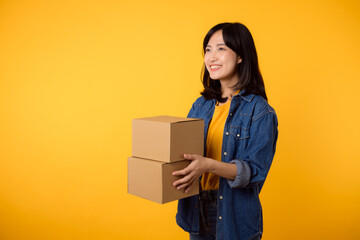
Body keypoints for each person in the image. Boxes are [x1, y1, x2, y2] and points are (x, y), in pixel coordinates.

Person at [172, 22, 278, 240]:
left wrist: (208, 165)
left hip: (233, 214)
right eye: (208, 50)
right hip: (196, 209)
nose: (211, 58)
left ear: (240, 56)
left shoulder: (260, 111)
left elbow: (255, 171)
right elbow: (183, 152)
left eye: (221, 49)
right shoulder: (200, 105)